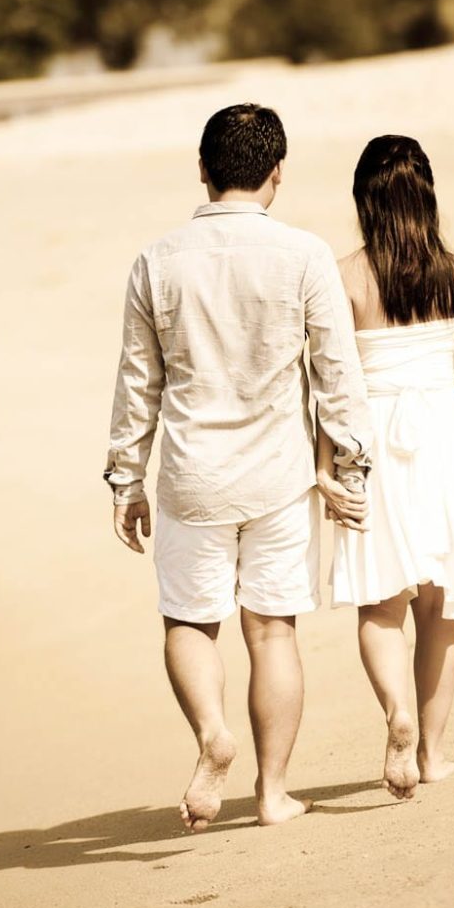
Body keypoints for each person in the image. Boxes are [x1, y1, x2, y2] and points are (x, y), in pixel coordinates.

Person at [104, 104, 372, 830]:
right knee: (271, 631)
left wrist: (125, 478)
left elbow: (139, 383)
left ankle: (210, 735)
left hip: (192, 475)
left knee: (190, 622)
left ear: (201, 166)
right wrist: (352, 461)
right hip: (278, 474)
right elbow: (334, 370)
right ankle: (271, 791)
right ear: (276, 173)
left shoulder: (157, 260)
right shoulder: (304, 255)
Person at [317, 135, 454, 801]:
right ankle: (430, 752)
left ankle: (395, 710)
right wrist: (442, 398)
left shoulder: (343, 276)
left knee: (379, 601)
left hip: (370, 437)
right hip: (442, 435)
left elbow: (327, 382)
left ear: (362, 200)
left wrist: (326, 462)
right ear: (427, 193)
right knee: (439, 603)